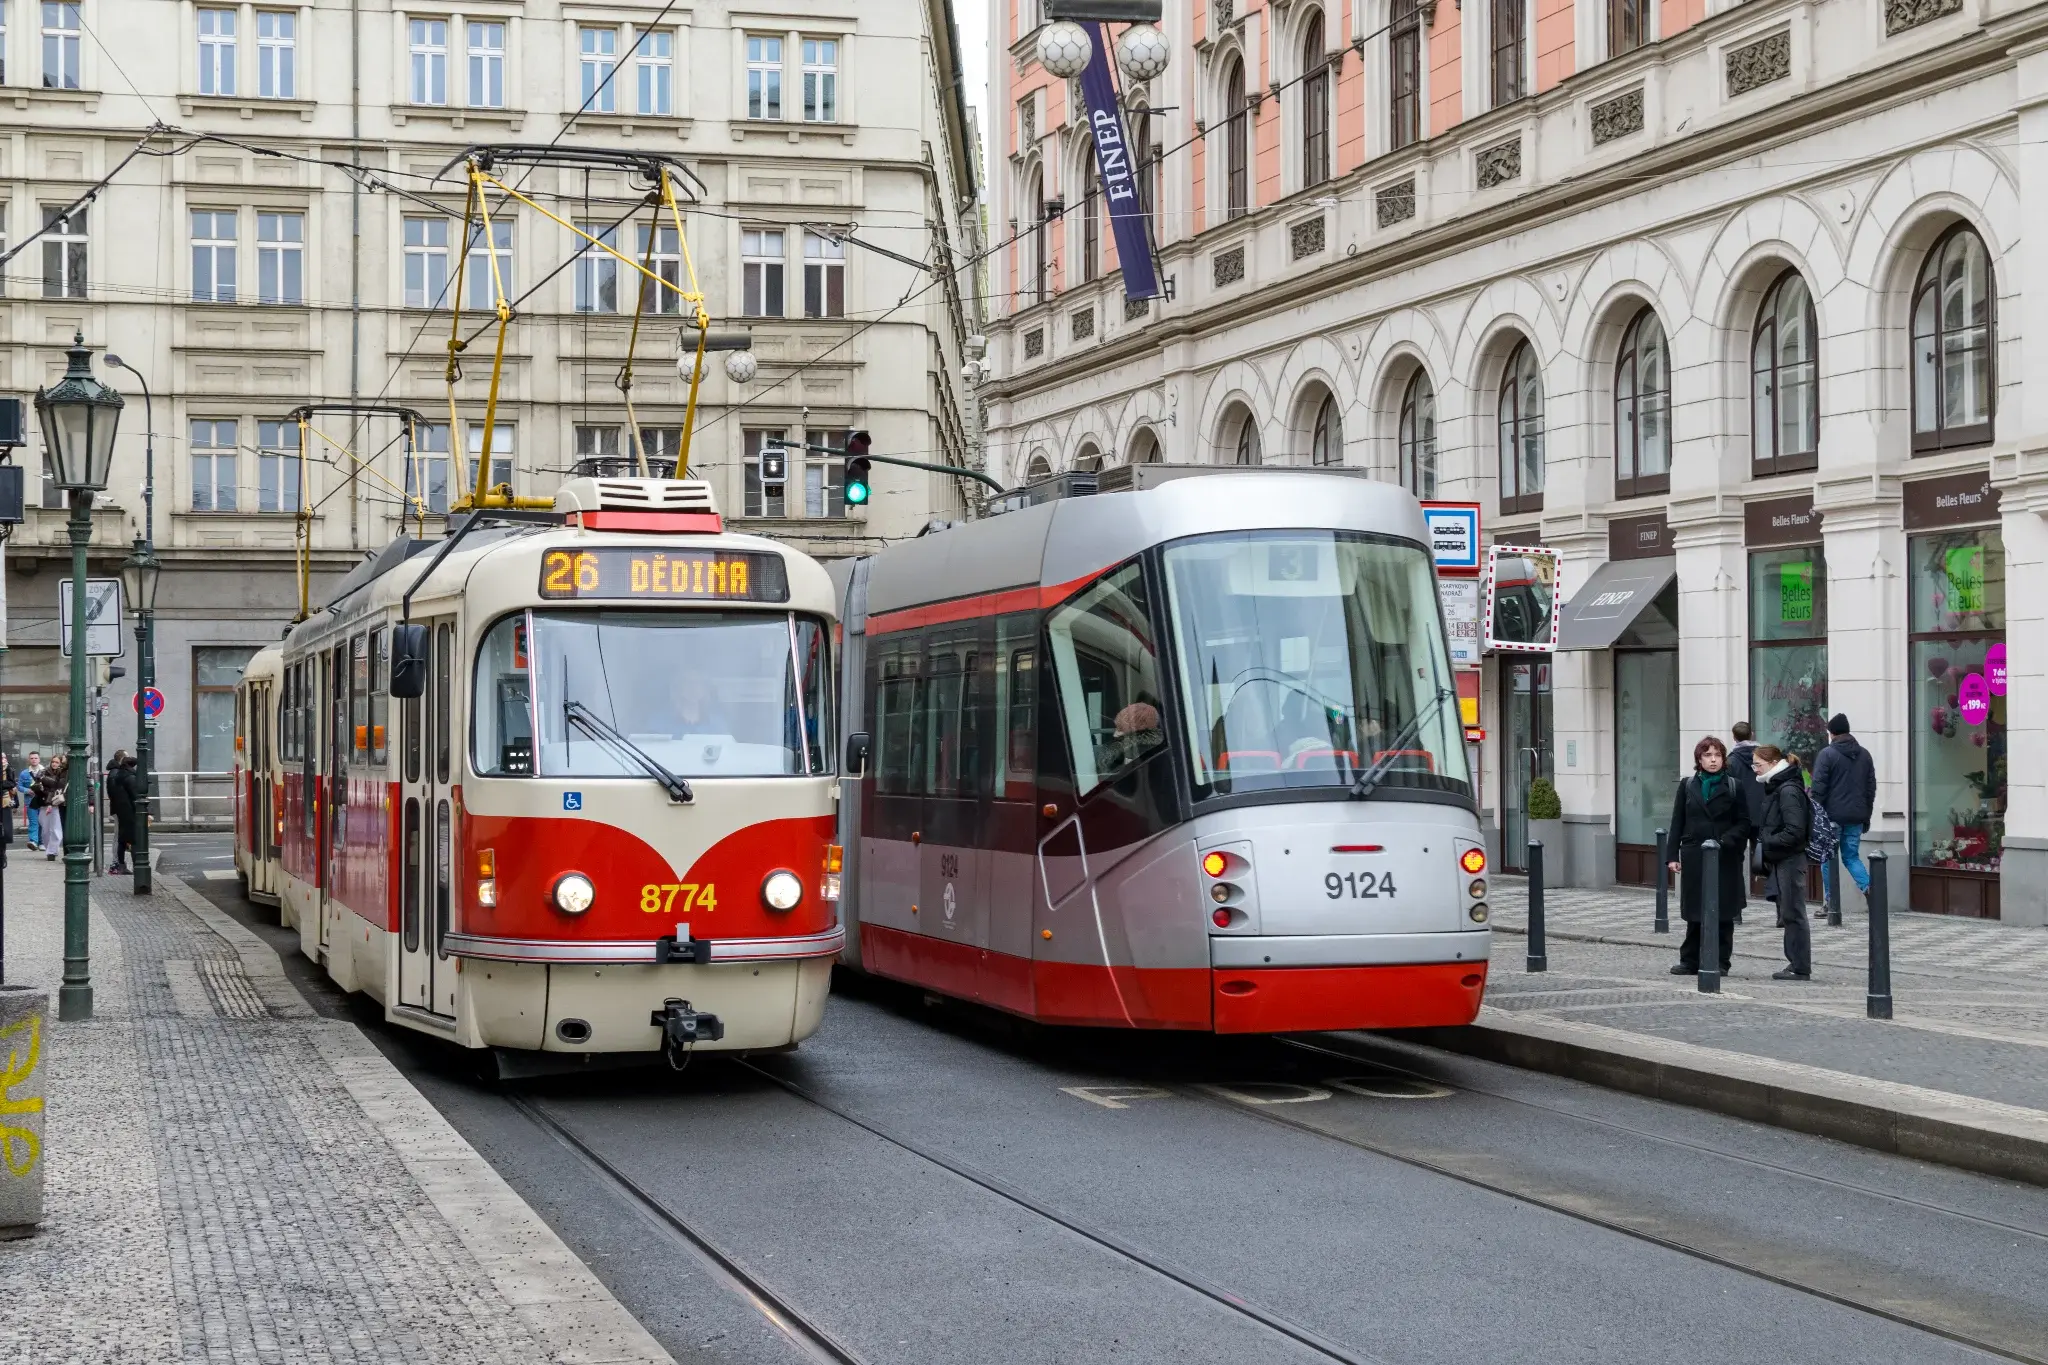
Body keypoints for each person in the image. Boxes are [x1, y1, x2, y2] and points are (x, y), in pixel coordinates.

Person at [1667, 735, 1751, 976]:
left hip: (1724, 857)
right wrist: (1672, 855)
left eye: (1717, 755)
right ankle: (1690, 960)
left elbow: (1744, 823)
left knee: (1723, 911)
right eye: (1708, 755)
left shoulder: (1734, 786)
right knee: (1695, 910)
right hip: (1694, 855)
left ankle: (1720, 961)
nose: (1713, 760)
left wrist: (1725, 841)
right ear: (1699, 759)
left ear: (1724, 759)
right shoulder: (1687, 785)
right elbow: (1677, 821)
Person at [1753, 744, 1813, 980]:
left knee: (1793, 911)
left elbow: (1795, 831)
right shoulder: (1778, 785)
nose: (1754, 768)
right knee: (1788, 911)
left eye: (1758, 764)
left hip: (1790, 858)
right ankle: (1796, 963)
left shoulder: (1787, 789)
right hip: (1783, 857)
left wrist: (1767, 841)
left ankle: (1799, 966)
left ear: (1771, 763)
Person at [1809, 713, 1876, 907]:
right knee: (1851, 857)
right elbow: (1870, 788)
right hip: (1856, 816)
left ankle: (1830, 902)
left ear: (1831, 733)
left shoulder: (1827, 754)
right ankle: (1870, 888)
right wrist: (1866, 816)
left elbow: (1818, 788)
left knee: (1828, 857)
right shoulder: (1864, 754)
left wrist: (1814, 816)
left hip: (1832, 817)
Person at [1726, 720, 1766, 875]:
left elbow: (1728, 790)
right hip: (1761, 812)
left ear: (1734, 738)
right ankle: (1766, 889)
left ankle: (1738, 894)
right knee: (1763, 854)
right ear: (1752, 735)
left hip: (1739, 815)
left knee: (1736, 857)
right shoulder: (1764, 758)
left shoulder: (1731, 761)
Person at [107, 749, 139, 875]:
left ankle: (119, 863)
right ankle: (117, 863)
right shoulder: (117, 773)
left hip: (119, 809)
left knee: (121, 836)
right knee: (120, 837)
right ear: (122, 759)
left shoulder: (115, 772)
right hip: (121, 810)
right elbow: (115, 793)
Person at [32, 753, 67, 859]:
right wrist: (40, 787)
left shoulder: (62, 773)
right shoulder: (43, 771)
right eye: (53, 762)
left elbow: (56, 786)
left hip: (56, 803)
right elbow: (37, 783)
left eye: (57, 762)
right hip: (43, 803)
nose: (54, 764)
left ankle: (52, 851)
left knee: (56, 829)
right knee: (45, 829)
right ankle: (49, 849)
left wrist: (45, 781)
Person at [18, 751, 41, 850]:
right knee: (33, 822)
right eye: (32, 758)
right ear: (29, 760)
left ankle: (42, 842)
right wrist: (27, 790)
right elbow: (19, 786)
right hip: (30, 802)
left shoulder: (45, 771)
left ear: (39, 759)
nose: (34, 760)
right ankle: (33, 841)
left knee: (42, 822)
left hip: (43, 801)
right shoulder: (24, 773)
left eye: (35, 758)